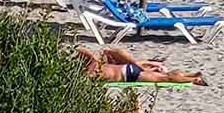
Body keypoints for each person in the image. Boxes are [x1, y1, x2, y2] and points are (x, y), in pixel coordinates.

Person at [77, 44, 208, 84]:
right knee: (166, 75)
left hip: (129, 75)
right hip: (128, 69)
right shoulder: (97, 64)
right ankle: (190, 75)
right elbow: (82, 50)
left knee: (165, 78)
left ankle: (193, 79)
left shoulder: (92, 71)